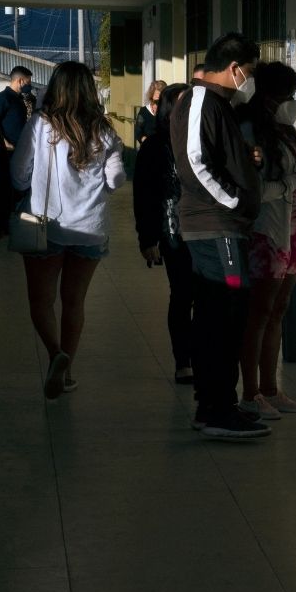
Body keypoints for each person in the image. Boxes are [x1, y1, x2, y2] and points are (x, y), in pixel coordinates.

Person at [171, 32, 269, 440]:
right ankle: (215, 409)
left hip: (226, 227)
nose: (251, 79)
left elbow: (213, 154)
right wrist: (232, 201)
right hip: (216, 228)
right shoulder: (198, 101)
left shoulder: (220, 105)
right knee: (223, 315)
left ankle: (218, 403)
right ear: (234, 69)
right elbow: (194, 161)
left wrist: (245, 161)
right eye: (250, 71)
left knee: (226, 314)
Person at [10, 61, 125, 399]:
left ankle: (55, 353)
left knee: (41, 301)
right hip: (90, 228)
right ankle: (69, 371)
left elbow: (18, 174)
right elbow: (116, 179)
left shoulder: (40, 124)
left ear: (55, 88)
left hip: (46, 226)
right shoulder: (104, 130)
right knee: (74, 303)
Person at [237, 62, 296, 419]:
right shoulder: (251, 133)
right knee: (258, 313)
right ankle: (250, 392)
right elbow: (256, 190)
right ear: (266, 97)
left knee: (278, 310)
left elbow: (294, 179)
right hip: (268, 233)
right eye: (286, 95)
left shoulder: (286, 133)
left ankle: (271, 390)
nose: (292, 102)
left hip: (293, 234)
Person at [132, 83, 196, 385]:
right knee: (183, 295)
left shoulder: (204, 140)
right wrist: (147, 239)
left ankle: (203, 356)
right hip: (173, 231)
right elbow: (143, 195)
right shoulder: (156, 146)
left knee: (210, 298)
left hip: (208, 230)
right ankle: (183, 361)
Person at [0, 65, 34, 234]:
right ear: (20, 80)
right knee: (6, 189)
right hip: (8, 153)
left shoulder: (23, 99)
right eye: (28, 81)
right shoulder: (3, 98)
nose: (30, 84)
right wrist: (4, 142)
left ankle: (16, 220)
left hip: (21, 151)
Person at [135, 79, 167, 145]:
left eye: (161, 91)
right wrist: (144, 140)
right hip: (148, 147)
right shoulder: (144, 111)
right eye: (157, 90)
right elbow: (138, 131)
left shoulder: (167, 111)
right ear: (152, 93)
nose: (158, 93)